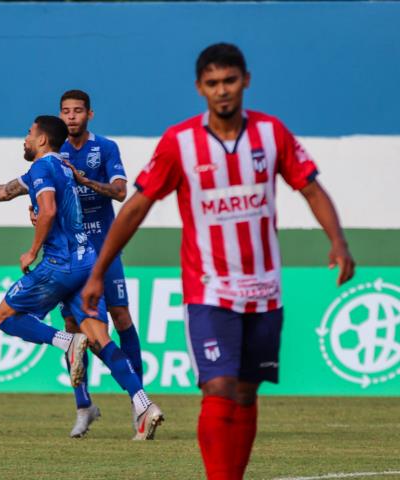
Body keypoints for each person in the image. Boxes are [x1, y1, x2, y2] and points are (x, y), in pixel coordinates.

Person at [81, 44, 355, 478]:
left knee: (246, 393)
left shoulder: (271, 134)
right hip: (208, 289)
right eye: (213, 84)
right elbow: (135, 207)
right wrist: (98, 272)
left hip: (265, 289)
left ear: (245, 80)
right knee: (219, 387)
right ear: (199, 88)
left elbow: (311, 189)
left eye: (229, 81)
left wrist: (338, 242)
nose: (222, 91)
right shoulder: (180, 143)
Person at [0, 115, 164, 440]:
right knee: (99, 336)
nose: (24, 139)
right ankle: (144, 405)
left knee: (4, 316)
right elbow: (3, 191)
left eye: (28, 133)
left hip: (60, 264)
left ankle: (67, 343)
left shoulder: (42, 169)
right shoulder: (62, 167)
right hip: (87, 261)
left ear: (41, 139)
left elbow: (49, 209)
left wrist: (33, 250)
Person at [52, 90, 145, 438]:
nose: (71, 117)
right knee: (74, 330)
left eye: (77, 111)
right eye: (65, 112)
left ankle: (140, 401)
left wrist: (86, 181)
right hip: (71, 253)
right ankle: (83, 406)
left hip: (105, 247)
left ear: (89, 114)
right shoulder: (53, 152)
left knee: (121, 318)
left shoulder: (105, 148)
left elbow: (121, 192)